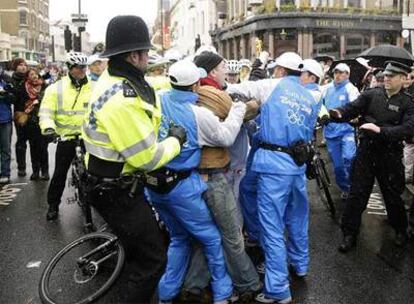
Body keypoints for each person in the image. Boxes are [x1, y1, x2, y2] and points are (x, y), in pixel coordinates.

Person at [81, 15, 186, 303]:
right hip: (117, 192)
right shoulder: (122, 101)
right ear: (133, 55)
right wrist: (176, 140)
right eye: (147, 53)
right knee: (152, 260)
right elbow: (148, 158)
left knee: (135, 254)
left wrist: (182, 82)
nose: (149, 57)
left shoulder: (111, 78)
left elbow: (149, 82)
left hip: (106, 181)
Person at [227, 52, 320, 304]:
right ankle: (300, 264)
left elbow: (235, 87)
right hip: (296, 166)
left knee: (273, 226)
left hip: (273, 167)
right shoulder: (309, 96)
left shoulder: (270, 85)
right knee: (298, 216)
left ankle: (277, 288)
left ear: (279, 69)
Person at [147, 60, 239, 304]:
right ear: (196, 85)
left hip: (155, 186)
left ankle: (166, 294)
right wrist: (239, 110)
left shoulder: (157, 100)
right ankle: (222, 292)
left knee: (179, 238)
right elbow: (226, 137)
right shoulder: (199, 115)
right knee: (211, 238)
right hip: (182, 188)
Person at [181, 51, 261, 302]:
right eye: (223, 66)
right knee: (231, 231)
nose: (226, 69)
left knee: (207, 233)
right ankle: (248, 282)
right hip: (214, 173)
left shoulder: (187, 95)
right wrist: (253, 103)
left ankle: (193, 286)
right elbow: (244, 114)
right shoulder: (211, 94)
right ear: (210, 71)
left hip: (192, 175)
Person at [329, 61, 414, 252]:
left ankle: (400, 230)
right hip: (366, 153)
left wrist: (379, 130)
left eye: (392, 76)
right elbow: (350, 108)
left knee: (392, 196)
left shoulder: (408, 103)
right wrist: (336, 113)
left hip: (390, 155)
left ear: (403, 79)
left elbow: (407, 129)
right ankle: (349, 234)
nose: (387, 78)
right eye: (386, 75)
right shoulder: (371, 94)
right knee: (357, 194)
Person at [39, 51, 91, 221]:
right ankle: (53, 205)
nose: (82, 70)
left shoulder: (94, 87)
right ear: (69, 68)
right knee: (60, 173)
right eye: (78, 67)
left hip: (88, 138)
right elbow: (46, 112)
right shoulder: (56, 88)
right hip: (66, 138)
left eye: (84, 67)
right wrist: (48, 129)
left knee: (96, 172)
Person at [322, 63, 359, 198]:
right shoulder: (326, 88)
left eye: (341, 73)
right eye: (336, 72)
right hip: (331, 132)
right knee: (338, 167)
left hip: (347, 130)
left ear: (347, 75)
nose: (338, 75)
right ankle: (345, 188)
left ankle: (354, 184)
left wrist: (355, 117)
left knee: (349, 157)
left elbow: (357, 106)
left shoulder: (351, 89)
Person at [14, 68, 48, 180]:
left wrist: (38, 100)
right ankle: (35, 171)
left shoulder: (44, 86)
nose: (34, 76)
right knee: (33, 147)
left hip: (43, 119)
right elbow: (18, 104)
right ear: (27, 77)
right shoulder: (23, 88)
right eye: (31, 74)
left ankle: (45, 171)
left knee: (43, 147)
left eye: (35, 74)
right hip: (30, 122)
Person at [10, 58, 28, 177]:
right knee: (21, 140)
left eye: (24, 65)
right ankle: (21, 167)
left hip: (32, 112)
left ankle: (38, 169)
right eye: (20, 65)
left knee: (36, 142)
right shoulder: (13, 80)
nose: (23, 67)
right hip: (20, 113)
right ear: (15, 67)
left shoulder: (31, 77)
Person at [0, 67, 13, 184]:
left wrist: (6, 94)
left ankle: (4, 173)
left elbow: (13, 99)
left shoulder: (5, 82)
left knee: (5, 148)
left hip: (4, 120)